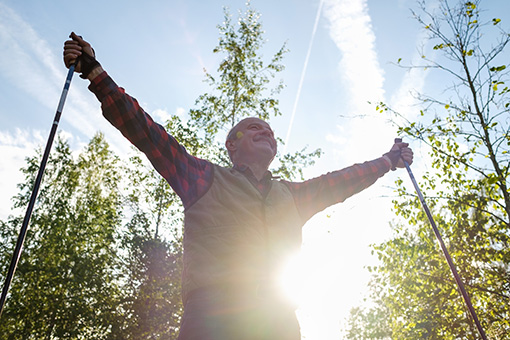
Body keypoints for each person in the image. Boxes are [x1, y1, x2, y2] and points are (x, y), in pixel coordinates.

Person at [63, 32, 413, 340]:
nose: (267, 133)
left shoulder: (292, 196)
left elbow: (341, 182)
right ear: (232, 144)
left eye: (271, 133)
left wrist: (387, 161)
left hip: (277, 321)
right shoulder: (202, 177)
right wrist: (95, 73)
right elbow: (146, 131)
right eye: (255, 128)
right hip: (212, 316)